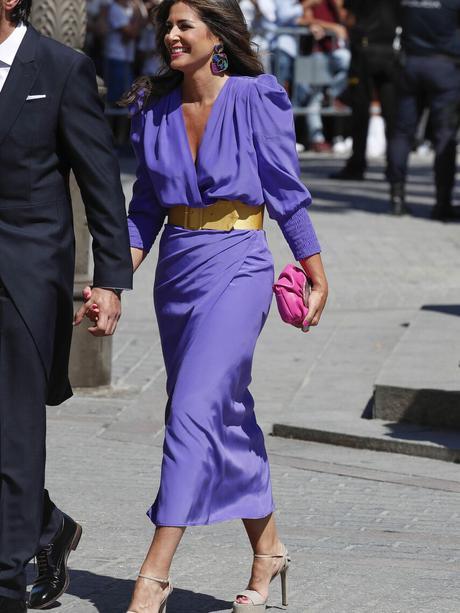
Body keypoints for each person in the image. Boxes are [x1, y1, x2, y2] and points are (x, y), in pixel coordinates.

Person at [113, 1, 328, 612]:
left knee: (191, 408)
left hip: (240, 264)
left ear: (219, 35)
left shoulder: (256, 95)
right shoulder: (154, 110)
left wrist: (315, 270)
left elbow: (286, 191)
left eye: (185, 25)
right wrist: (110, 281)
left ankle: (152, 575)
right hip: (178, 273)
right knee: (223, 413)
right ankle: (270, 550)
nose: (172, 35)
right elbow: (144, 211)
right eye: (167, 26)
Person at [0, 1, 133, 612]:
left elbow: (99, 176)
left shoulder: (60, 68)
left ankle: (6, 583)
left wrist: (109, 278)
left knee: (14, 433)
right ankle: (48, 525)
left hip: (22, 276)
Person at [387, 0, 460, 219]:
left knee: (402, 133)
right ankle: (442, 202)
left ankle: (397, 198)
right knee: (444, 136)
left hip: (411, 64)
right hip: (444, 67)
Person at [331, 0, 400, 180]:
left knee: (360, 113)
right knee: (392, 115)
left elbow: (348, 16)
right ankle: (395, 166)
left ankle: (357, 165)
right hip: (390, 51)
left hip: (364, 50)